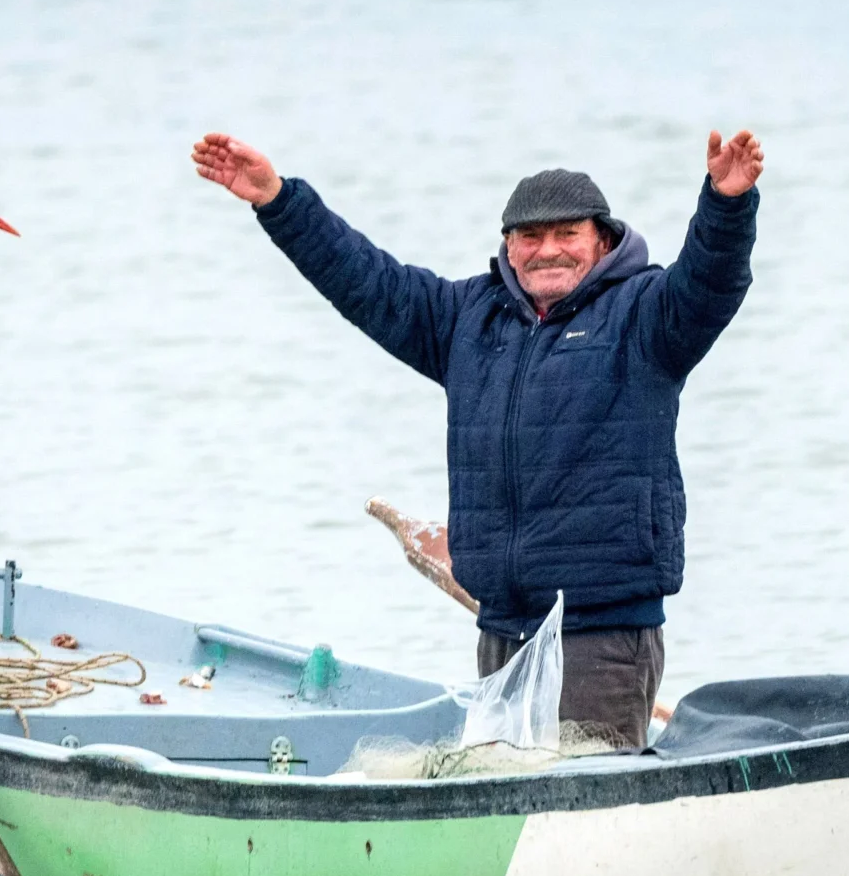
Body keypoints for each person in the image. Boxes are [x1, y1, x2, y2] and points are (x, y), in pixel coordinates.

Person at [191, 128, 764, 749]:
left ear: (601, 241)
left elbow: (712, 283)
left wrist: (726, 205)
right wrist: (278, 201)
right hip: (502, 632)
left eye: (567, 234)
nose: (548, 250)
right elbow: (365, 281)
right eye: (530, 236)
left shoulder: (646, 315)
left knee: (588, 813)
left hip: (602, 638)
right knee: (509, 807)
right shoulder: (469, 320)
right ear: (509, 248)